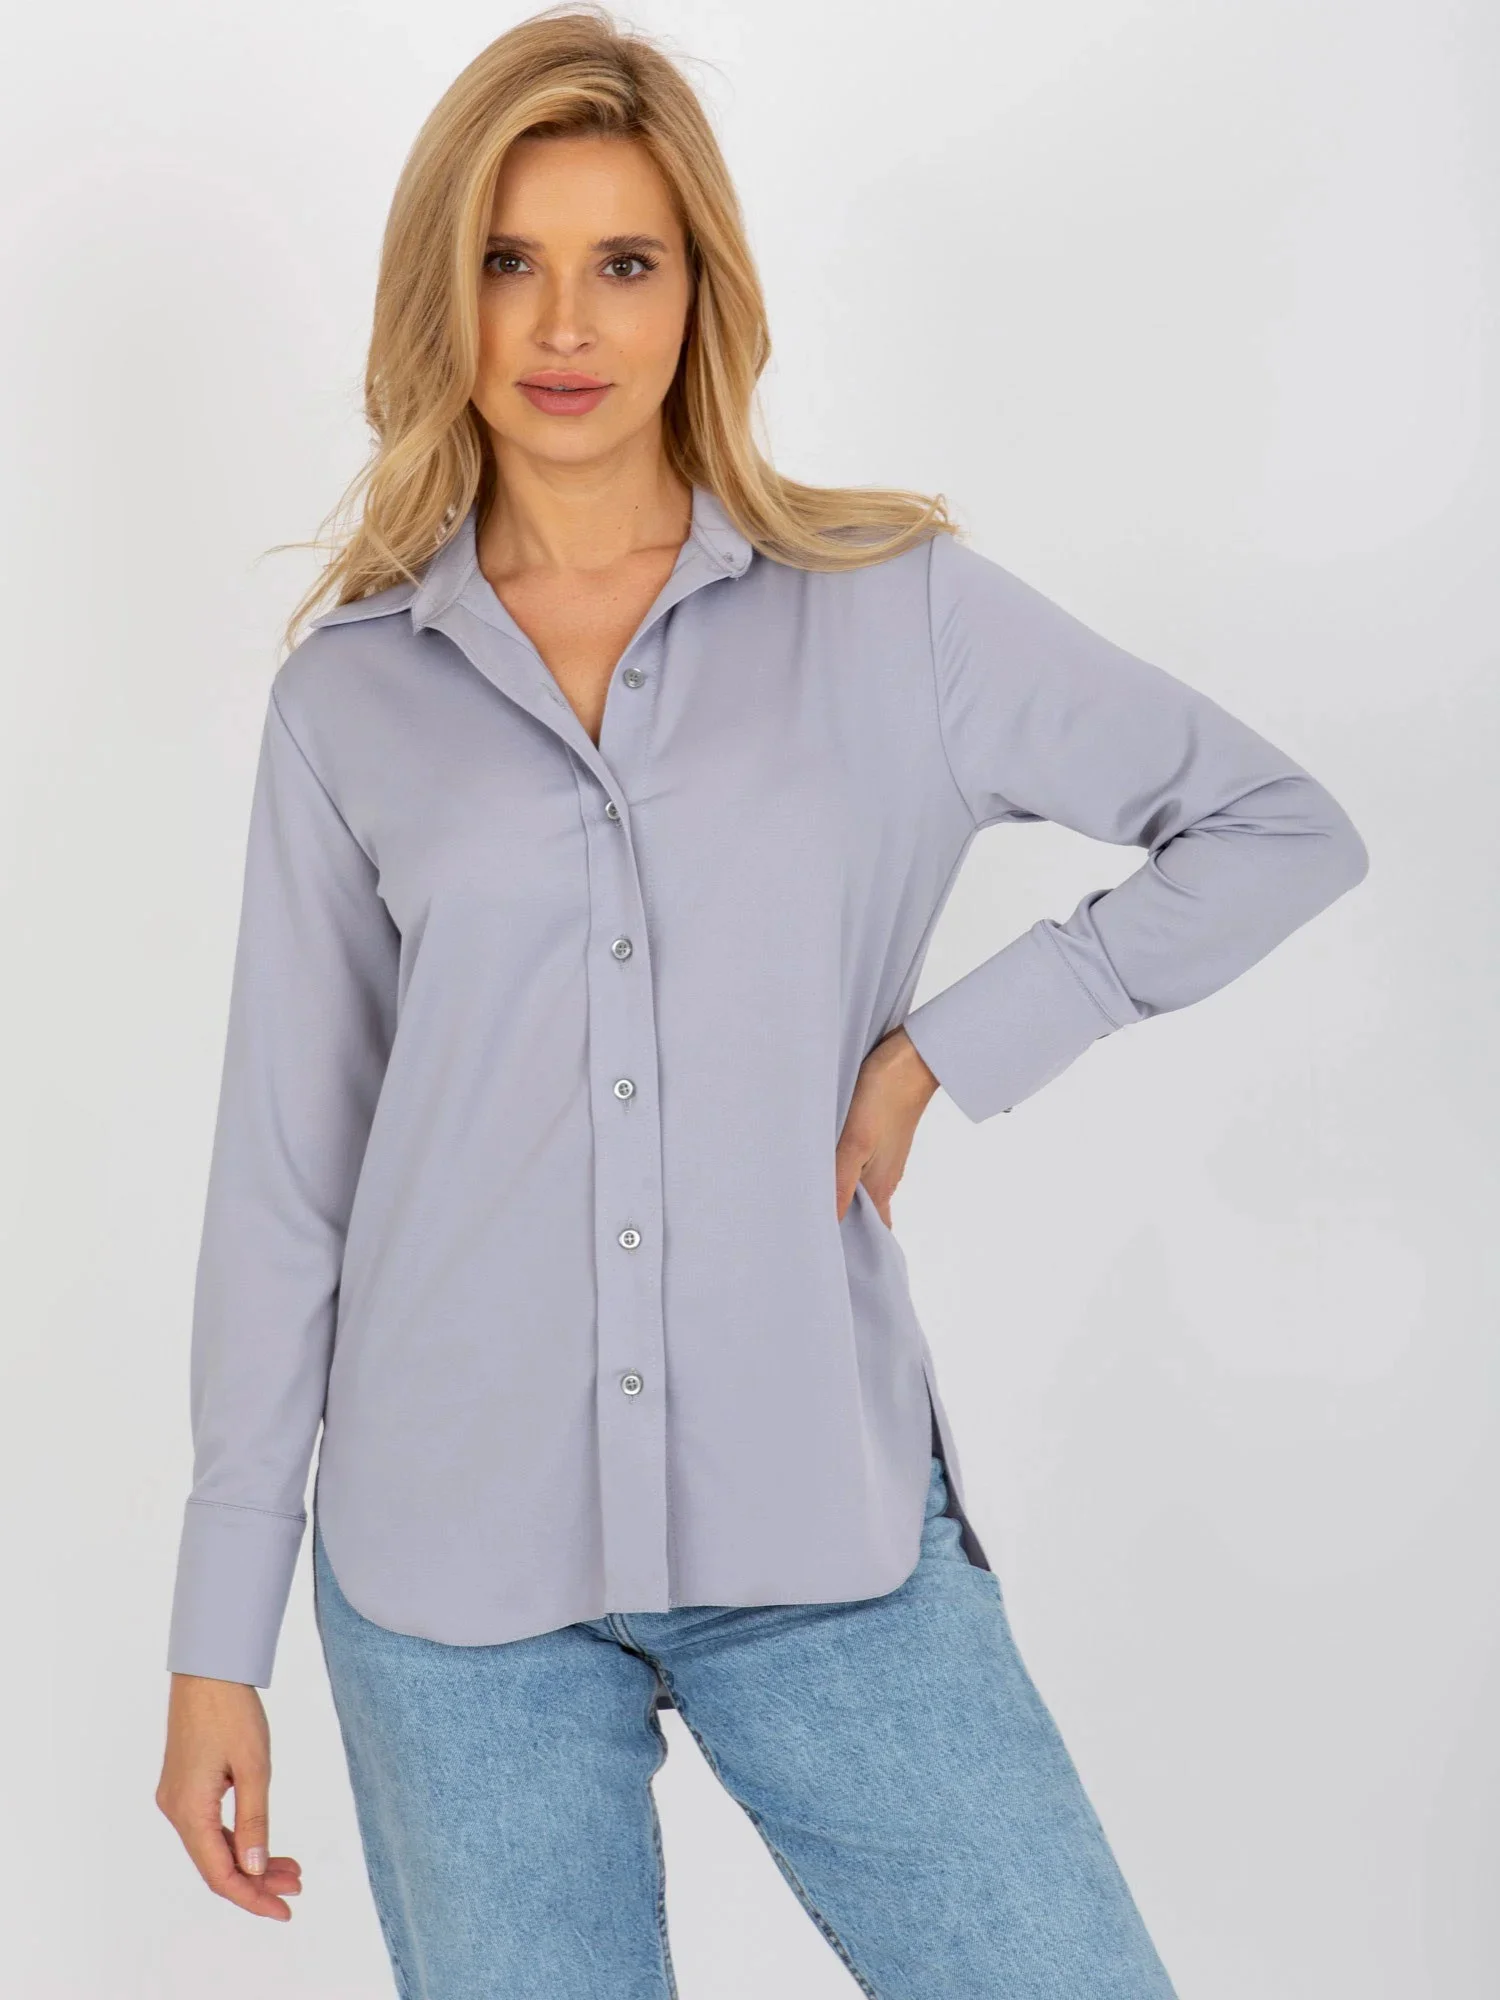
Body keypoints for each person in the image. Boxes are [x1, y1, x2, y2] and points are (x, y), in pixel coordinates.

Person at [154, 8, 1369, 1995]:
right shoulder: (350, 699)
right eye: (509, 259)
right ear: (441, 293)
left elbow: (1273, 826)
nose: (566, 322)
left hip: (824, 1529)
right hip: (448, 1580)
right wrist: (220, 1632)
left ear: (701, 293)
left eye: (624, 262)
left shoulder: (896, 609)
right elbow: (288, 1180)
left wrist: (948, 1051)